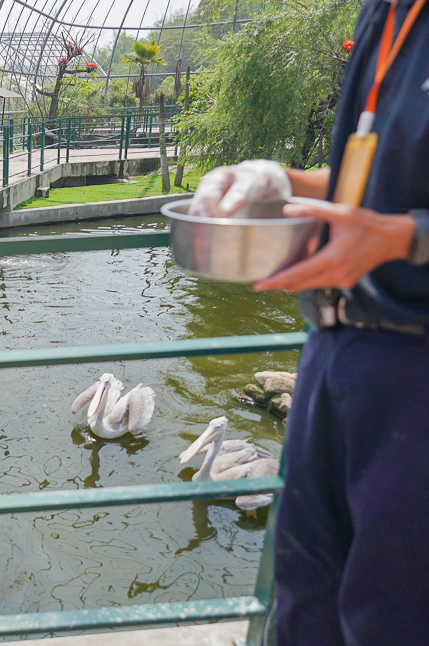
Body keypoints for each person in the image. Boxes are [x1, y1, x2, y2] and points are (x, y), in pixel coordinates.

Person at [189, 1, 429, 643]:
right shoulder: (386, 15)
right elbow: (370, 187)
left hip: (414, 371)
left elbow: (393, 218)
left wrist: (402, 239)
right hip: (334, 349)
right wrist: (275, 180)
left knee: (391, 616)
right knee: (305, 604)